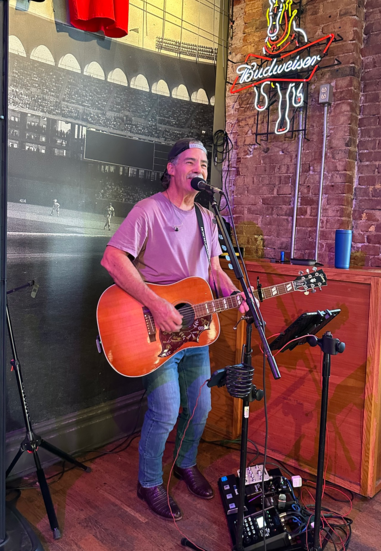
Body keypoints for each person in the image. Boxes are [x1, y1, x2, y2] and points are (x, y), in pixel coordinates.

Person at [100, 138, 248, 521]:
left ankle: (185, 464)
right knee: (166, 410)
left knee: (200, 408)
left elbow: (214, 271)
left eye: (204, 164)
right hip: (155, 333)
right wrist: (155, 303)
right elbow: (113, 259)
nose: (199, 169)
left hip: (195, 331)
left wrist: (234, 292)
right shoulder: (148, 210)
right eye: (190, 162)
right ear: (171, 168)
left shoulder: (208, 219)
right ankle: (149, 482)